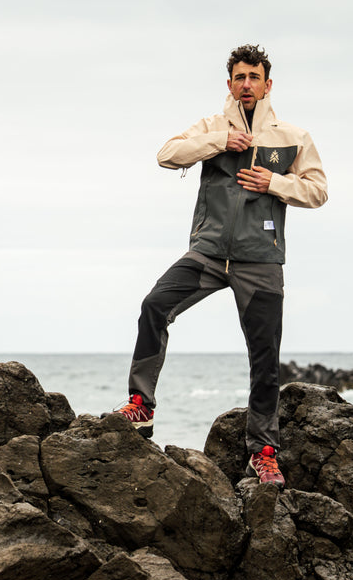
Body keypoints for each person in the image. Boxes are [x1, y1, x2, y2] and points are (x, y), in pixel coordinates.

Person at [112, 44, 327, 485]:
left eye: (254, 77)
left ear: (268, 84)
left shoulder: (292, 137)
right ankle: (142, 406)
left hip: (261, 260)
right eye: (239, 77)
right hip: (207, 254)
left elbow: (318, 191)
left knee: (264, 357)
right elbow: (167, 154)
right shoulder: (212, 127)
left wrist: (275, 182)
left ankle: (263, 453)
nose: (246, 84)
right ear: (230, 83)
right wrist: (219, 142)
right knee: (155, 306)